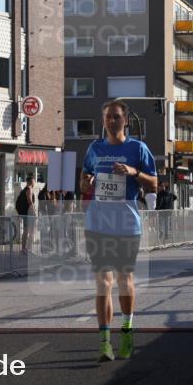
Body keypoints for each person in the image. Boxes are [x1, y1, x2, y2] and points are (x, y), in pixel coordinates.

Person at [79, 99, 157, 362]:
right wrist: (86, 181)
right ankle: (104, 342)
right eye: (106, 117)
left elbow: (155, 183)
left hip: (126, 224)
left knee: (125, 281)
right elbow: (83, 182)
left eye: (115, 117)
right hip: (98, 224)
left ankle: (126, 333)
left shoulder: (138, 148)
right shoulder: (95, 148)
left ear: (125, 120)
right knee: (103, 283)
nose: (110, 121)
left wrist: (134, 172)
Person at [16, 175, 37, 255]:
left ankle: (24, 249)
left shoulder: (23, 190)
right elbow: (30, 201)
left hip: (25, 213)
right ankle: (28, 249)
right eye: (34, 181)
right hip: (29, 213)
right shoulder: (29, 189)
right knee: (31, 231)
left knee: (26, 231)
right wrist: (34, 212)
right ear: (32, 181)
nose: (34, 183)